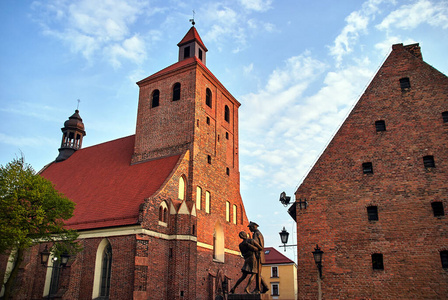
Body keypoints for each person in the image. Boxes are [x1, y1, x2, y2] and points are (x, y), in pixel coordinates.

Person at [248, 221, 269, 294]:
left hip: (258, 255)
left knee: (257, 273)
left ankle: (258, 289)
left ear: (253, 227)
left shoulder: (257, 234)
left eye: (250, 227)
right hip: (258, 255)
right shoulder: (257, 234)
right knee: (257, 273)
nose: (249, 229)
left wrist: (251, 244)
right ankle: (265, 287)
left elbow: (261, 247)